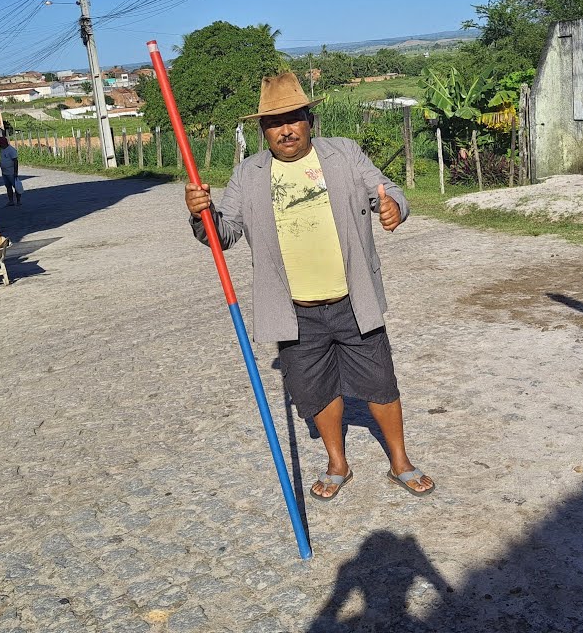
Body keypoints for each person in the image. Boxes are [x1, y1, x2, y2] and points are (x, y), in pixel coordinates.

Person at [184, 71, 434, 501]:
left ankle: (400, 462)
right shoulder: (248, 174)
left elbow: (385, 190)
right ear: (263, 130)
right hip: (293, 310)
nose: (286, 129)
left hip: (352, 299)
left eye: (294, 118)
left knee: (380, 383)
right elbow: (222, 235)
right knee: (316, 390)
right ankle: (338, 464)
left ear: (309, 122)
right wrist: (199, 214)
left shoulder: (344, 155)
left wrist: (395, 207)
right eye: (275, 122)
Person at [0, 136, 22, 206]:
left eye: (0, 144)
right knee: (8, 187)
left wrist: (15, 172)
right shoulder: (2, 149)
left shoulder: (11, 150)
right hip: (4, 171)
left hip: (11, 172)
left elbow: (15, 161)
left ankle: (18, 201)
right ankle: (11, 201)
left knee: (16, 186)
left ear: (4, 143)